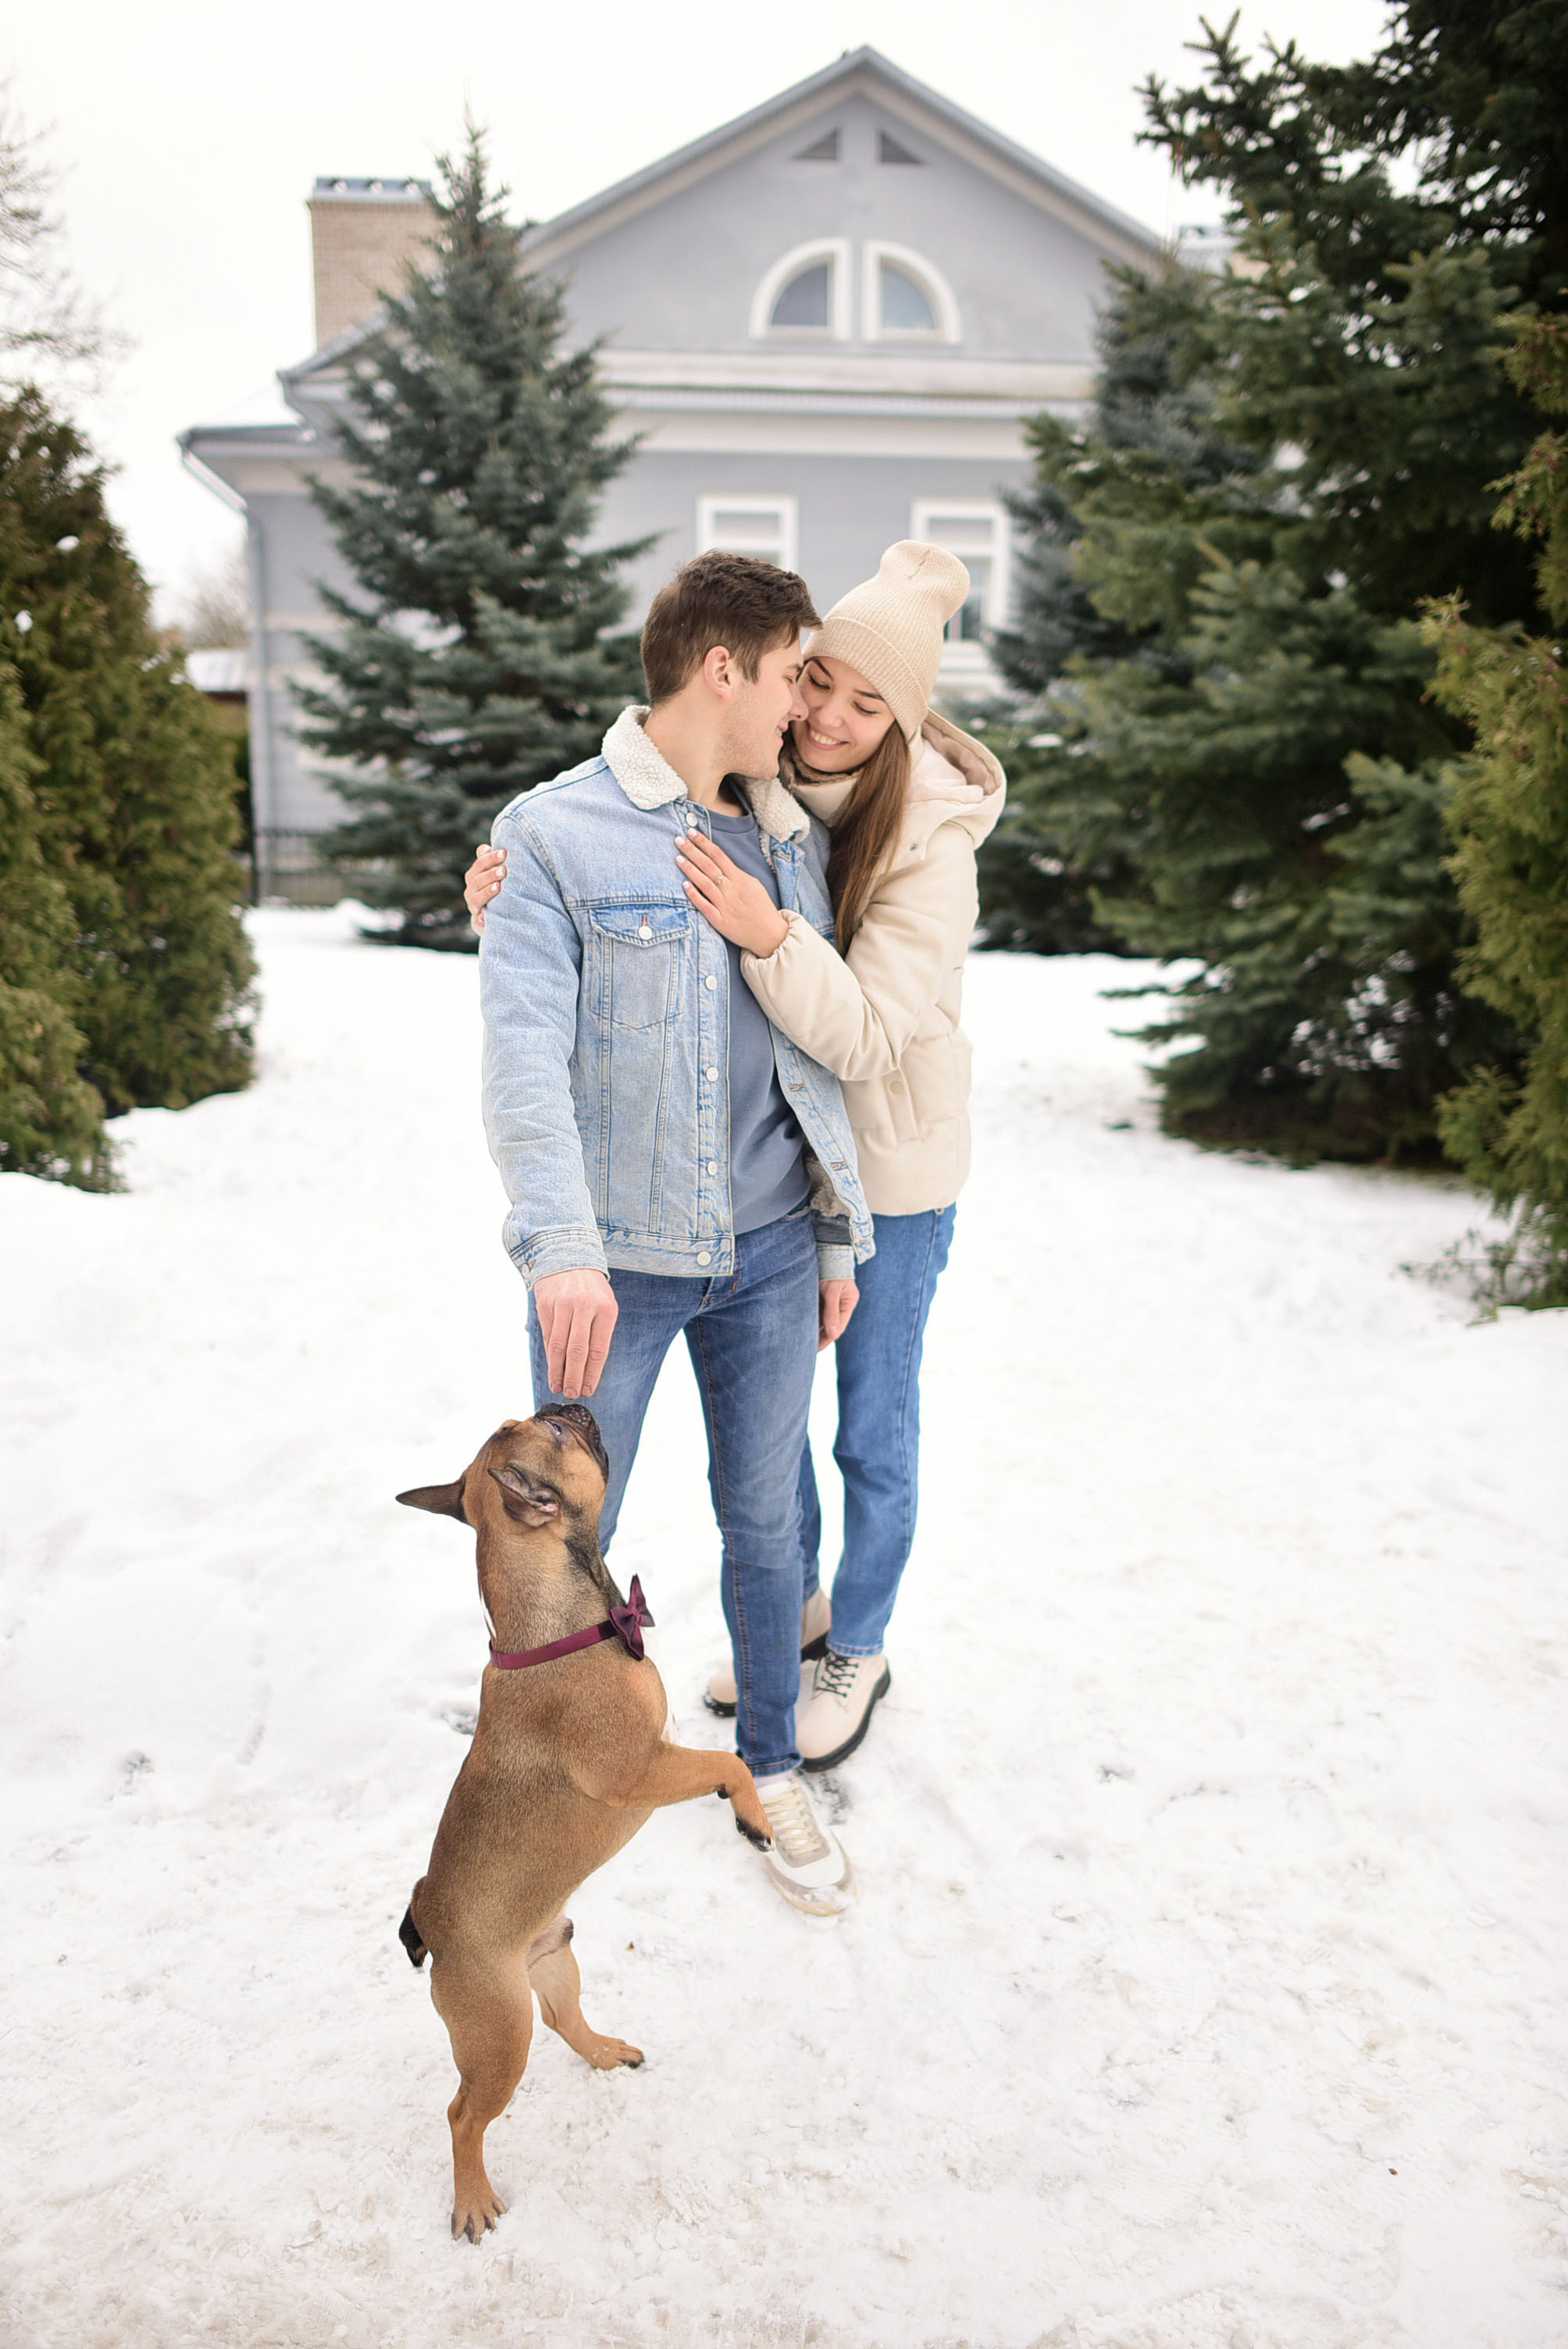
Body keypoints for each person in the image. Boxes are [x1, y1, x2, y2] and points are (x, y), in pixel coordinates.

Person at [470, 541, 1005, 1778]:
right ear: (758, 675)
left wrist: (767, 932)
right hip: (703, 1211)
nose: (821, 714)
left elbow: (856, 1038)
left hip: (886, 1177)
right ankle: (722, 1659)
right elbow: (598, 894)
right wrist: (513, 899)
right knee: (714, 1489)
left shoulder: (910, 836)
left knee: (861, 1437)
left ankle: (849, 1645)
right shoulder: (754, 796)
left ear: (904, 723)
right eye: (811, 681)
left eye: (866, 705)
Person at [479, 551, 874, 1918]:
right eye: (786, 678)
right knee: (559, 1538)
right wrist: (563, 1246)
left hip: (766, 1255)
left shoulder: (784, 837)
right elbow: (523, 1059)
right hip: (617, 1269)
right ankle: (538, 1780)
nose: (798, 710)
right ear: (724, 670)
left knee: (769, 1522)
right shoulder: (551, 837)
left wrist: (832, 1239)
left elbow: (806, 1065)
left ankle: (769, 1764)